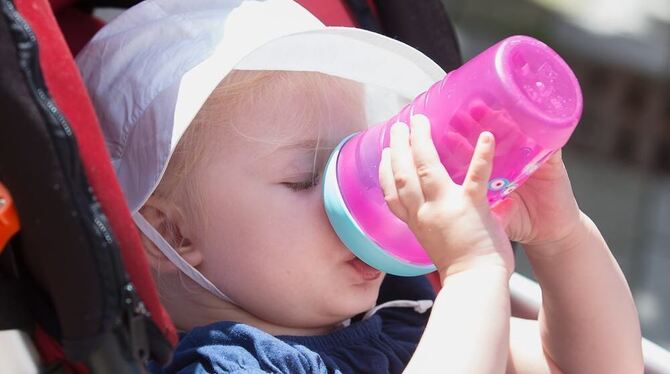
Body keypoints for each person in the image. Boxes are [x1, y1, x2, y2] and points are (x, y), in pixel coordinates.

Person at [76, 0, 644, 372]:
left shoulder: (404, 328)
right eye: (305, 178)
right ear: (174, 231)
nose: (354, 191)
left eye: (360, 157)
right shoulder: (227, 366)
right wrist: (472, 276)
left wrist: (562, 239)